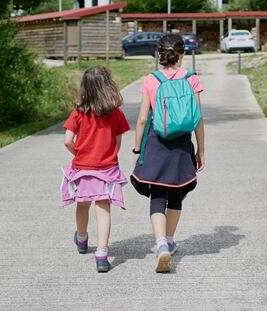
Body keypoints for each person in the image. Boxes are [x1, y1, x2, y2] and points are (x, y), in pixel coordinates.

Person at [131, 34, 205, 273]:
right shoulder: (192, 80)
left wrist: (137, 150)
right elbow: (198, 119)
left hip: (156, 143)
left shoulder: (151, 80)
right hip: (182, 145)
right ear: (182, 54)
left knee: (158, 196)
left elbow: (143, 119)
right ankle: (170, 240)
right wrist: (201, 149)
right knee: (176, 196)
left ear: (158, 54)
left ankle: (161, 243)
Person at [60, 66, 130, 273]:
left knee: (82, 205)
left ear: (85, 88)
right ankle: (101, 254)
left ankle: (81, 238)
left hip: (82, 167)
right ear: (108, 87)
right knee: (103, 209)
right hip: (106, 168)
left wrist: (79, 154)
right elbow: (117, 144)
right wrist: (106, 156)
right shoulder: (116, 113)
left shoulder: (78, 112)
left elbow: (67, 140)